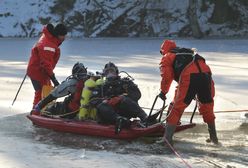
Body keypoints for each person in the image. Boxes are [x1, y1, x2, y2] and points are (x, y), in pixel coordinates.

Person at [159, 40, 218, 145]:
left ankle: (167, 139)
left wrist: (163, 92)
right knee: (207, 107)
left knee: (176, 107)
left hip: (189, 77)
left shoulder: (167, 56)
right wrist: (203, 94)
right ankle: (214, 138)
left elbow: (166, 77)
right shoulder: (190, 54)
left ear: (164, 50)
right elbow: (205, 76)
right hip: (205, 76)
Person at [95, 62, 155, 134]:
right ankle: (119, 120)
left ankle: (145, 118)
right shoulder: (101, 86)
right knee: (101, 106)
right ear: (104, 73)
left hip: (124, 111)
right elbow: (93, 100)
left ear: (116, 72)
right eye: (107, 71)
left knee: (125, 100)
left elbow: (137, 95)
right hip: (109, 114)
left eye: (112, 71)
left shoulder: (125, 83)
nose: (110, 73)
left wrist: (121, 97)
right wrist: (107, 101)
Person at [27, 23, 67, 108]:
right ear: (58, 35)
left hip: (39, 70)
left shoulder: (48, 38)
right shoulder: (49, 45)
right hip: (38, 72)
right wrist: (54, 79)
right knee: (41, 92)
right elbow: (46, 64)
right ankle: (36, 112)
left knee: (46, 91)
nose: (64, 38)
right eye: (63, 35)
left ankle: (43, 110)